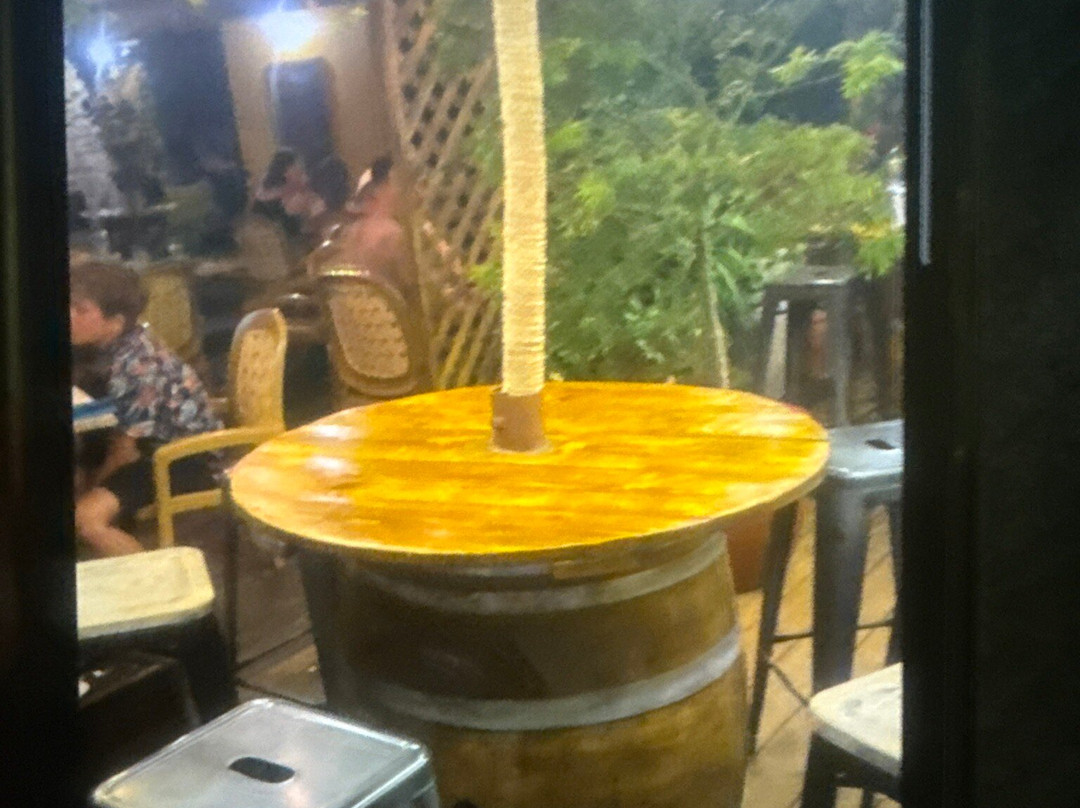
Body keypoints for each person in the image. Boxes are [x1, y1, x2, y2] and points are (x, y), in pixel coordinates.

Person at [70, 261, 222, 557]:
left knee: (86, 519)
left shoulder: (136, 364)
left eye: (81, 309)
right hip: (144, 446)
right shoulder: (109, 345)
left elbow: (125, 452)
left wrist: (91, 489)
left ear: (115, 321)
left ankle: (158, 579)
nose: (69, 315)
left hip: (180, 458)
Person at [335, 156, 420, 304]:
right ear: (385, 188)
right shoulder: (392, 233)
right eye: (398, 185)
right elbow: (413, 285)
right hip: (390, 312)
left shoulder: (352, 231)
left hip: (356, 309)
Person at [251, 148, 327, 249]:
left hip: (278, 230)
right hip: (281, 234)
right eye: (296, 165)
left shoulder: (271, 180)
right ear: (286, 168)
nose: (300, 168)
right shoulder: (278, 189)